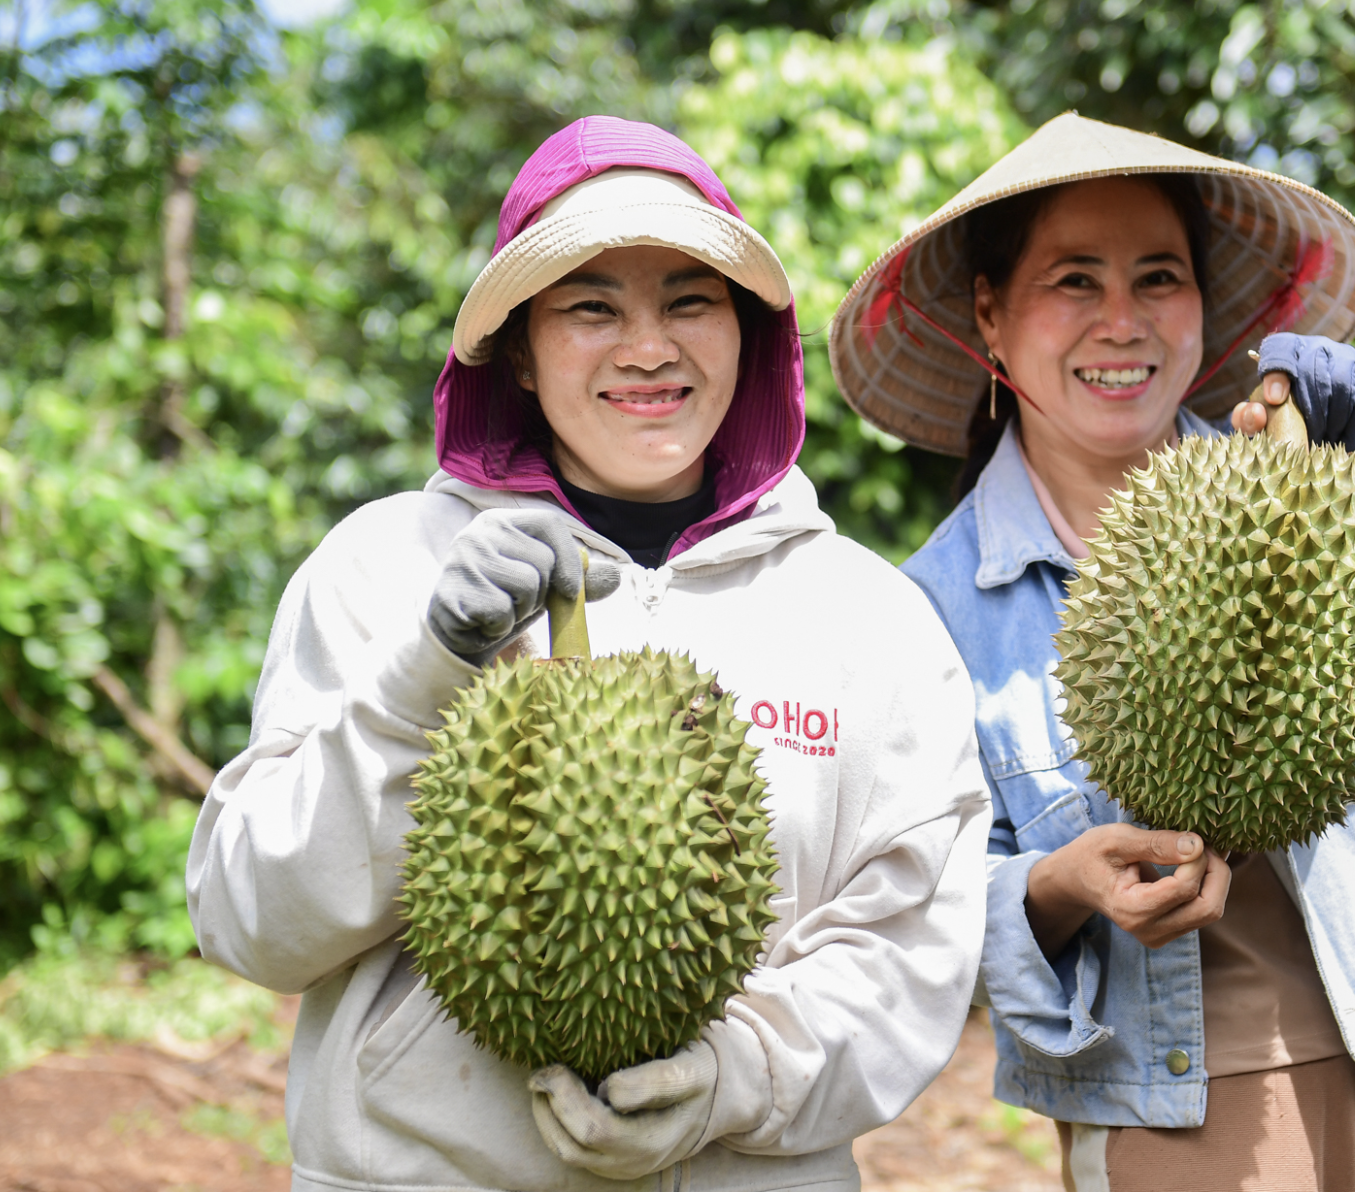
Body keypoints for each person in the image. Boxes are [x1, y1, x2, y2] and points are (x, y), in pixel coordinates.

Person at [186, 115, 990, 1192]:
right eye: (589, 306)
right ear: (518, 344)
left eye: (689, 301)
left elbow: (908, 950)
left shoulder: (865, 615)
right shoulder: (382, 567)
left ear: (750, 332)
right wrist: (420, 678)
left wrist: (733, 1074)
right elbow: (248, 921)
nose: (647, 348)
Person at [830, 113, 1355, 1190]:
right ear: (991, 314)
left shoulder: (1312, 481)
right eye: (1073, 281)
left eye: (1156, 278)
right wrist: (1056, 884)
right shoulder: (927, 607)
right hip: (1177, 1113)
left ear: (1201, 310)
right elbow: (913, 902)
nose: (1120, 321)